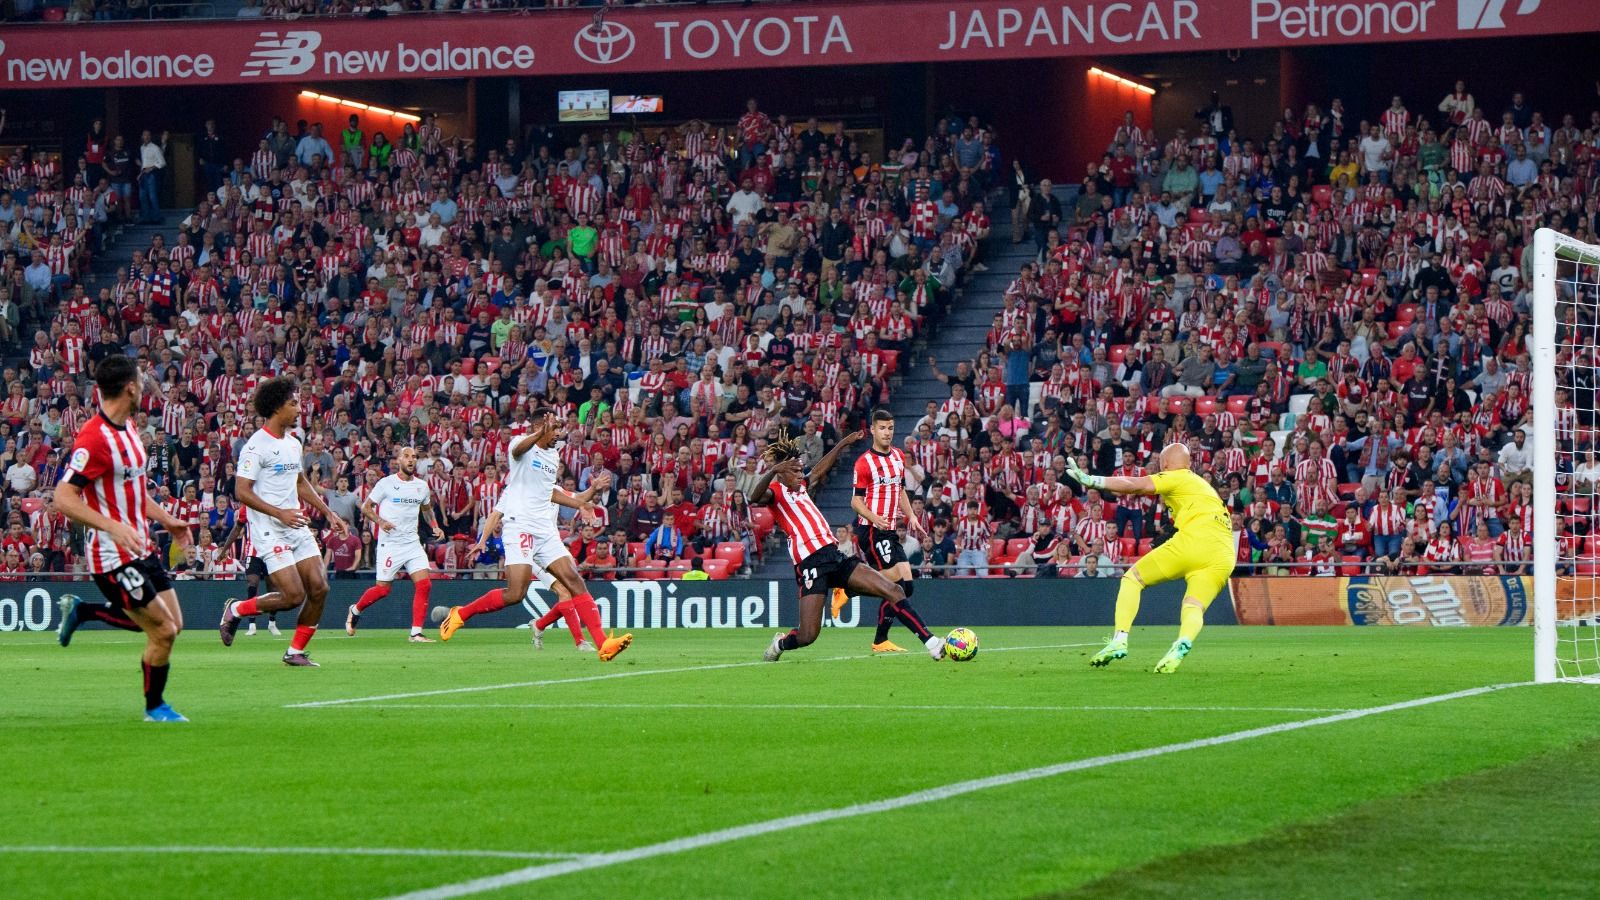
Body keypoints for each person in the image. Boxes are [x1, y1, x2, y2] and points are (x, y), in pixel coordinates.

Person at [52, 355, 193, 721]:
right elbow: (63, 497)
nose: (146, 382)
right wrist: (112, 526)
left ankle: (83, 611)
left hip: (140, 545)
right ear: (130, 386)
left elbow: (133, 491)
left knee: (173, 624)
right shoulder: (94, 438)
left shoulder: (129, 429)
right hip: (112, 556)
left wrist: (169, 520)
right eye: (142, 377)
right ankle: (155, 708)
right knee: (162, 631)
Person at [439, 410, 632, 661]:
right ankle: (461, 614)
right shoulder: (519, 445)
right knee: (515, 594)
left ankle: (604, 644)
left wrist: (590, 492)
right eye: (556, 429)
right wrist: (541, 433)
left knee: (574, 581)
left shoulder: (553, 456)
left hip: (544, 530)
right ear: (542, 427)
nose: (560, 434)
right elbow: (519, 452)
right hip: (519, 525)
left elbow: (550, 493)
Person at [754, 428, 944, 662]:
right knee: (807, 635)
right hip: (809, 562)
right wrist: (773, 470)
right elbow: (753, 497)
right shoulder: (774, 493)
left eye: (799, 467)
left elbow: (821, 467)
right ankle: (780, 644)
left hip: (834, 555)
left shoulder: (802, 486)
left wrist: (844, 442)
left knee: (894, 590)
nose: (799, 472)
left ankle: (933, 644)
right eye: (793, 469)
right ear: (782, 472)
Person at [1066, 442, 1235, 673]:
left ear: (1165, 464)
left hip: (1197, 539)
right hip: (1224, 553)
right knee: (1193, 605)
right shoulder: (1203, 486)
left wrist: (1092, 480)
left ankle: (1119, 640)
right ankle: (1183, 642)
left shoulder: (1178, 476)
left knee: (1132, 579)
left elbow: (1137, 484)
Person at [218, 377, 351, 666]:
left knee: (319, 587)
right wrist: (279, 513)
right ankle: (237, 609)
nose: (299, 409)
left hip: (295, 523)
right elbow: (241, 491)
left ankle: (295, 651)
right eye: (293, 404)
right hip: (269, 528)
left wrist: (329, 514)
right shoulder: (256, 446)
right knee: (292, 595)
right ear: (277, 408)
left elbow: (300, 482)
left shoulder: (292, 443)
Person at [848, 408, 937, 653]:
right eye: (883, 428)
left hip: (888, 529)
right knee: (896, 588)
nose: (887, 433)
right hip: (872, 530)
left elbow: (899, 492)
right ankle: (849, 590)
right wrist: (874, 517)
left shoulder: (898, 456)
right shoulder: (864, 462)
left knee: (906, 588)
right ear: (873, 430)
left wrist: (911, 516)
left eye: (891, 428)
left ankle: (879, 640)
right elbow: (855, 501)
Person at [345, 446, 446, 642]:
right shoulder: (386, 483)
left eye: (414, 457)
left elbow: (426, 510)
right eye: (407, 456)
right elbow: (366, 508)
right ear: (398, 460)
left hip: (412, 542)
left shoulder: (421, 486)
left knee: (424, 584)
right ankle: (355, 609)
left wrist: (435, 525)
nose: (411, 460)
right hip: (390, 544)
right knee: (383, 589)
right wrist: (380, 521)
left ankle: (416, 632)